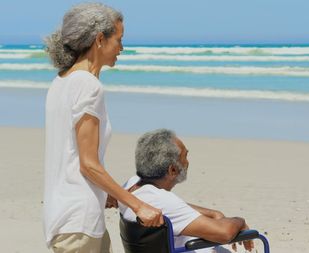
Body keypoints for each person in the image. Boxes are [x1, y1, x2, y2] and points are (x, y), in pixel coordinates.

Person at [43, 3, 163, 252]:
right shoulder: (88, 86)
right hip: (79, 220)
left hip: (66, 216)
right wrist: (136, 205)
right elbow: (88, 164)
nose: (122, 48)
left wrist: (106, 192)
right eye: (119, 39)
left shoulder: (61, 82)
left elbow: (71, 155)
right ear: (99, 39)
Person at [119, 129, 254, 252]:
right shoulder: (164, 201)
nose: (187, 162)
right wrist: (240, 222)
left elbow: (173, 208)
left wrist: (213, 213)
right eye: (185, 157)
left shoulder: (131, 185)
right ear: (172, 170)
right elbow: (224, 233)